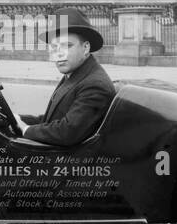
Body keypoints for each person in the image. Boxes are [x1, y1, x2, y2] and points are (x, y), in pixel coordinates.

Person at [18, 8, 114, 147]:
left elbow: (67, 132)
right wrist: (19, 119)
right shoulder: (75, 73)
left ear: (86, 48)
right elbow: (51, 120)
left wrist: (25, 129)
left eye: (67, 46)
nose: (59, 54)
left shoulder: (94, 85)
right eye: (54, 47)